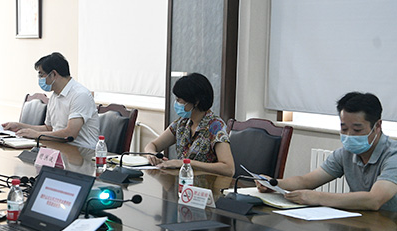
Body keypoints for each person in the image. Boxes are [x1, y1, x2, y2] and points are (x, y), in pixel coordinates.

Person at [257, 92, 397, 211]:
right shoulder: (345, 153)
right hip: (362, 222)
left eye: (357, 129)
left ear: (377, 126)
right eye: (344, 128)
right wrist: (273, 184)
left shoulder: (393, 155)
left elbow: (374, 200)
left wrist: (318, 197)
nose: (349, 135)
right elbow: (306, 181)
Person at [143, 73, 234, 176]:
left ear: (196, 101)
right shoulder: (182, 123)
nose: (176, 103)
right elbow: (152, 145)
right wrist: (152, 155)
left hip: (207, 184)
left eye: (179, 100)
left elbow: (229, 169)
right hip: (183, 182)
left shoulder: (216, 126)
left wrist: (186, 163)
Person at [3, 52, 99, 149]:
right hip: (58, 147)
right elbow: (49, 128)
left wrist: (36, 134)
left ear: (53, 74)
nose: (40, 79)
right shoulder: (55, 95)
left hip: (82, 151)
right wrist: (20, 126)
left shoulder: (80, 95)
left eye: (41, 75)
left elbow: (70, 134)